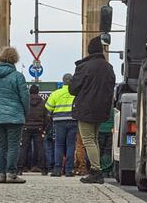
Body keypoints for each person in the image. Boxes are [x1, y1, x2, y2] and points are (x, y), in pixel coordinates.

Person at [70, 35, 116, 184]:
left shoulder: (85, 67)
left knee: (88, 140)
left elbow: (73, 89)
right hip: (102, 108)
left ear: (89, 51)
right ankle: (96, 170)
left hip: (86, 108)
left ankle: (96, 171)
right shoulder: (108, 67)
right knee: (94, 138)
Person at [0, 46, 30, 184]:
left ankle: (0, 174)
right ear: (15, 59)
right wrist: (24, 112)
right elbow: (25, 97)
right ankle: (11, 174)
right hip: (14, 116)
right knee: (13, 146)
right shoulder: (18, 76)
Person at [45, 73, 77, 177]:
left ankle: (57, 169)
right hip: (73, 121)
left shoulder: (56, 93)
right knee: (71, 146)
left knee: (59, 145)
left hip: (59, 122)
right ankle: (69, 170)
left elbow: (48, 108)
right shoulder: (77, 94)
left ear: (63, 81)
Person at [18, 84, 48, 174]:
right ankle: (43, 169)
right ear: (38, 91)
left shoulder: (25, 102)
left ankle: (19, 168)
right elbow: (46, 117)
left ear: (29, 91)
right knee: (40, 148)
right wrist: (43, 127)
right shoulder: (43, 102)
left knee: (23, 148)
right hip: (38, 128)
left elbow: (21, 113)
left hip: (26, 127)